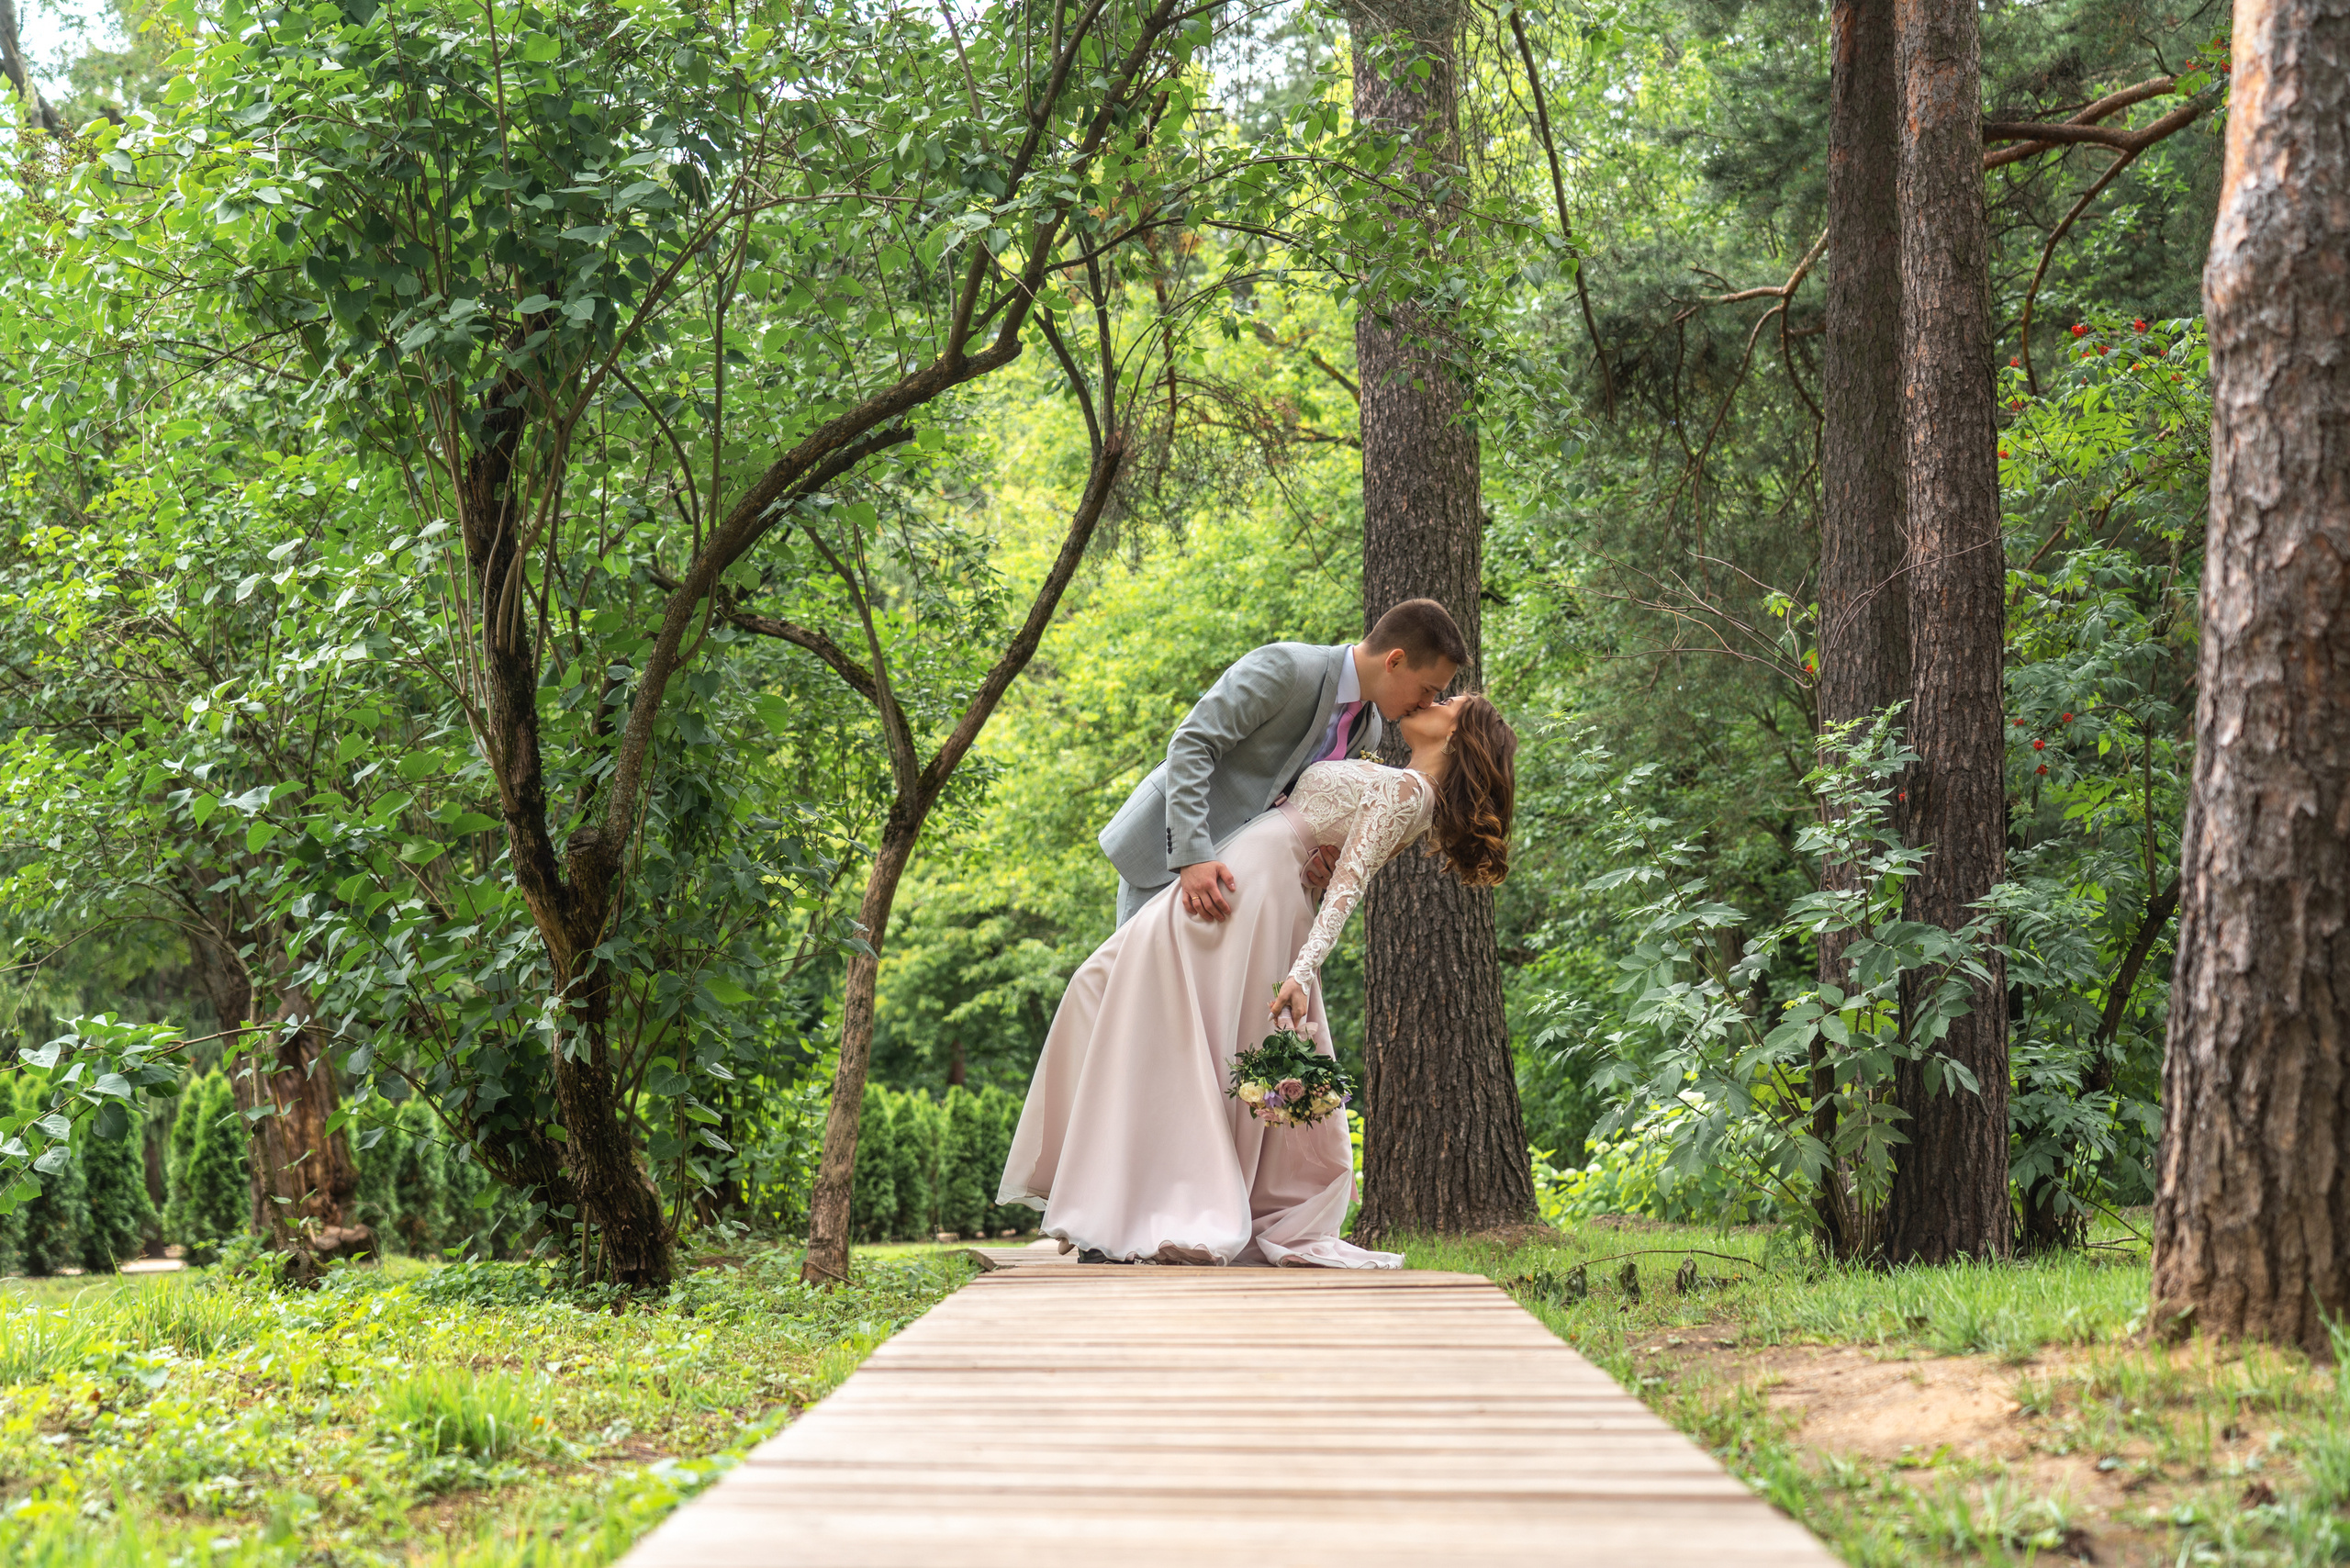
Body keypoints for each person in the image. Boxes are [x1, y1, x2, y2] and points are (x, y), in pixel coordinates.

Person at [1000, 691, 1518, 1268]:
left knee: (1169, 1022)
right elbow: (1332, 862)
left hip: (1257, 890)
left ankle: (1144, 1199)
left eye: (1450, 700)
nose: (1433, 699)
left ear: (1458, 733)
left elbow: (1348, 886)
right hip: (1248, 873)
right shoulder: (1400, 782)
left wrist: (1302, 969)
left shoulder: (1410, 792)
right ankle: (1112, 1187)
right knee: (1109, 985)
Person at [1096, 599, 1468, 928]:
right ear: (1395, 660)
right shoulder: (1288, 666)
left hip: (1238, 889)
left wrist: (1320, 865)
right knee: (1131, 993)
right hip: (1168, 857)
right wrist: (1193, 857)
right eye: (1427, 689)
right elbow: (1194, 742)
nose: (1426, 703)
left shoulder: (1368, 732)